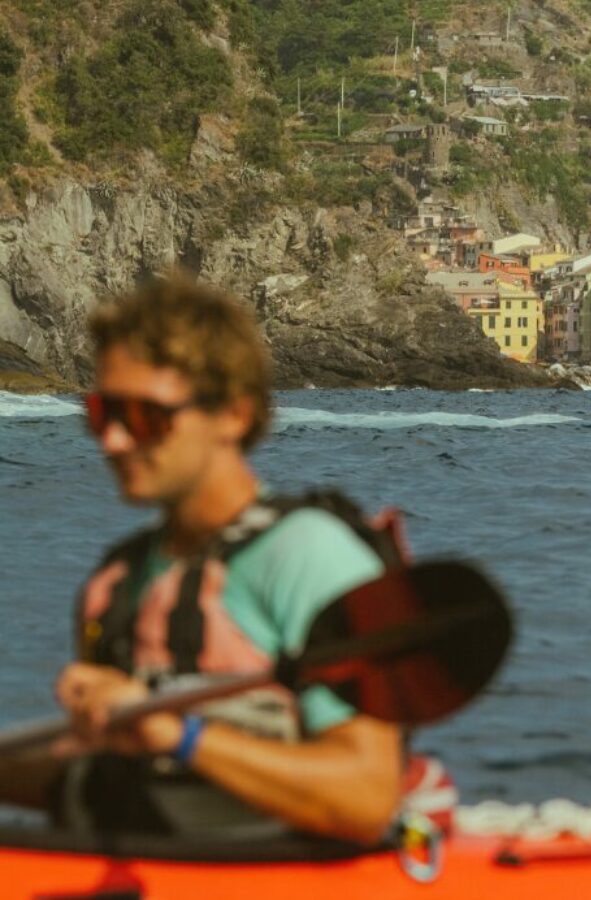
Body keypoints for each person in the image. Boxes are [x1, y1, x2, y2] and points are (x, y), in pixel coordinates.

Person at [0, 277, 403, 843]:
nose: (113, 441)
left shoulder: (311, 559)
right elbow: (105, 774)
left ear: (233, 415)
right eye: (100, 413)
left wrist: (178, 735)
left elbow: (367, 797)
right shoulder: (115, 582)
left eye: (145, 417)